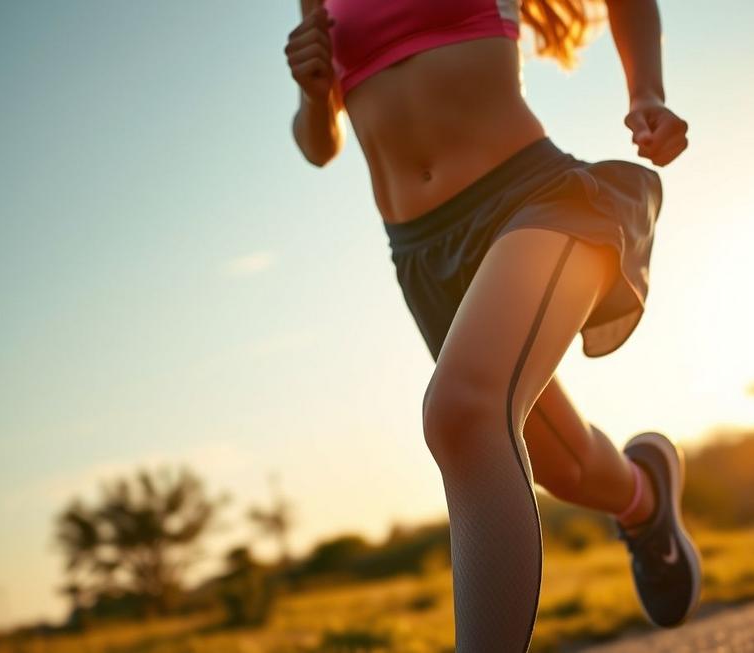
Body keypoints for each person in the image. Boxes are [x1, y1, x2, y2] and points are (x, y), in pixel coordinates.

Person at [284, 0, 701, 649]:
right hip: (422, 252)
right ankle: (644, 497)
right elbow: (319, 146)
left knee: (461, 412)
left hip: (531, 198)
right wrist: (314, 97)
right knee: (561, 466)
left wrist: (646, 91)